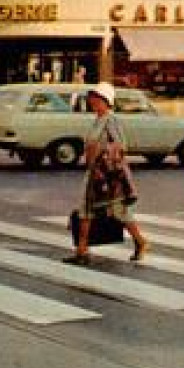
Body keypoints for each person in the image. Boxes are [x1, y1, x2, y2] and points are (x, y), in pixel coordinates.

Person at [67, 83, 150, 265]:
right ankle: (82, 250)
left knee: (118, 212)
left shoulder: (111, 119)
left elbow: (120, 146)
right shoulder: (97, 119)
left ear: (106, 101)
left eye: (97, 98)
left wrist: (102, 153)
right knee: (86, 209)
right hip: (93, 173)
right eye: (92, 98)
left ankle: (141, 241)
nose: (93, 101)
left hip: (108, 176)